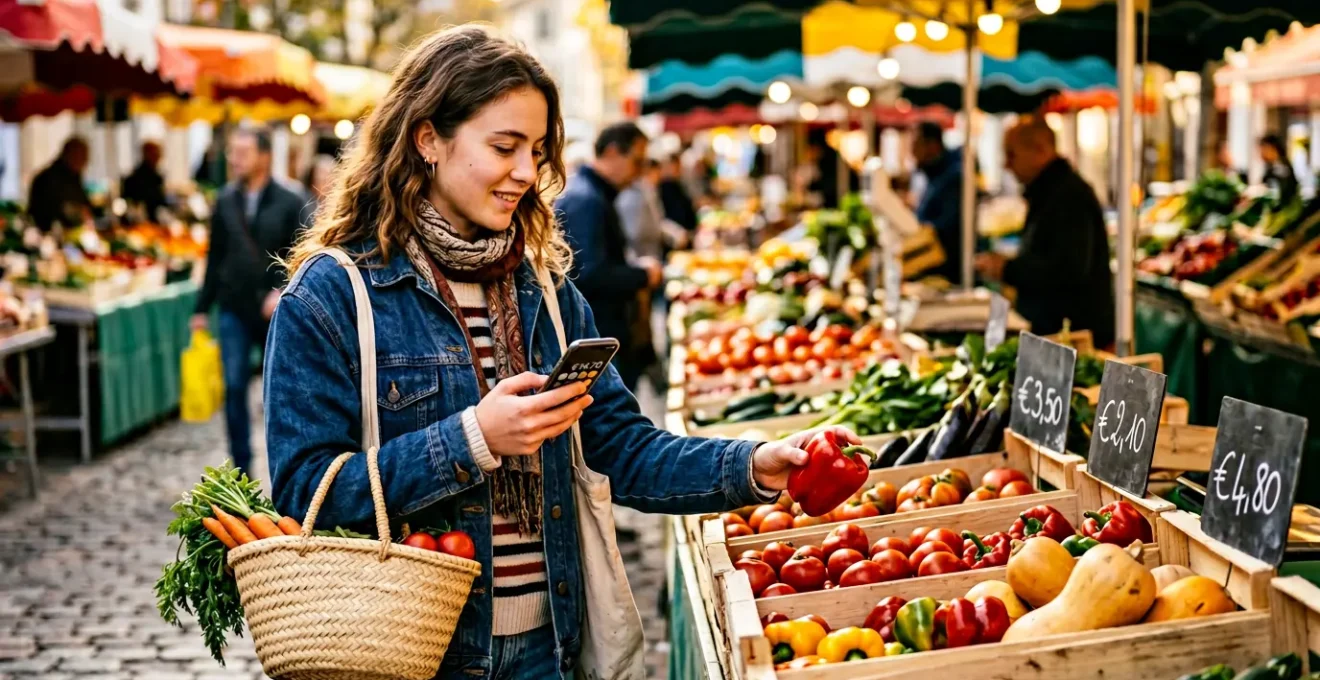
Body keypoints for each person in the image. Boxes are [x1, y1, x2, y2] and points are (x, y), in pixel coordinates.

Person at [262, 25, 853, 680]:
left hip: (552, 652)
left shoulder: (546, 290)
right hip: (413, 654)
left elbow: (620, 449)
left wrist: (751, 466)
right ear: (428, 138)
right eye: (504, 146)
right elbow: (302, 491)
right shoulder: (332, 296)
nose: (526, 172)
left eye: (537, 150)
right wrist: (473, 438)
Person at [191, 126, 305, 474]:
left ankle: (286, 465)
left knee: (279, 390)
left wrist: (283, 290)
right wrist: (200, 308)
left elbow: (305, 253)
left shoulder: (291, 200)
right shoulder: (225, 200)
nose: (234, 159)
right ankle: (242, 469)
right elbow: (215, 256)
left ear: (265, 156)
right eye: (232, 153)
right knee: (234, 386)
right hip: (233, 307)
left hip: (275, 311)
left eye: (243, 153)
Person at [975, 119, 1115, 347]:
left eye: (1011, 155)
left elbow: (1068, 270)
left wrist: (1008, 269)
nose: (1006, 165)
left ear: (1040, 151)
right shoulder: (1050, 192)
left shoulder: (1069, 196)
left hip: (1075, 340)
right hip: (1054, 336)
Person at [554, 122, 662, 391]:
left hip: (603, 335)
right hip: (600, 336)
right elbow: (589, 274)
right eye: (637, 161)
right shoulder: (587, 199)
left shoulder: (592, 193)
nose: (639, 173)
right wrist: (643, 275)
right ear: (613, 152)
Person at [911, 122, 964, 285]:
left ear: (932, 145)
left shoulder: (952, 178)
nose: (912, 151)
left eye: (915, 144)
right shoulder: (935, 175)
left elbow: (943, 227)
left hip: (946, 272)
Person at [28, 137, 91, 231]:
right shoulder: (50, 178)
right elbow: (59, 208)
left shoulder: (74, 176)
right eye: (82, 156)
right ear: (69, 154)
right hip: (48, 233)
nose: (86, 161)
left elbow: (83, 204)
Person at [121, 140, 168, 221]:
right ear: (146, 154)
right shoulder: (133, 179)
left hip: (155, 224)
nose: (159, 156)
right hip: (139, 223)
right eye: (155, 153)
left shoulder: (157, 177)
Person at [657, 154, 698, 233]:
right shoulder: (666, 186)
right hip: (678, 232)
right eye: (677, 166)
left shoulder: (675, 184)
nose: (680, 169)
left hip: (685, 230)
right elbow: (678, 213)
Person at [1260, 133, 1298, 204]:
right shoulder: (1273, 166)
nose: (1261, 153)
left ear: (1273, 148)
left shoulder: (1281, 168)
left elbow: (1280, 194)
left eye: (1263, 149)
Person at [300, 154, 336, 227]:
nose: (327, 185)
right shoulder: (302, 204)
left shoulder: (339, 206)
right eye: (321, 179)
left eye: (329, 178)